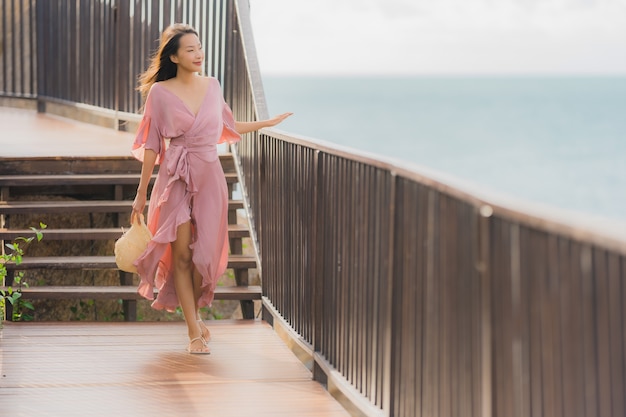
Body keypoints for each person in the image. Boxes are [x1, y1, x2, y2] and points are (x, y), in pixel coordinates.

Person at [130, 23, 291, 354]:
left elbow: (225, 126)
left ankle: (196, 316)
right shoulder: (160, 94)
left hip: (209, 178)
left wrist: (266, 123)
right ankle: (192, 331)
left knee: (203, 256)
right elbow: (151, 144)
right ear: (173, 56)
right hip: (174, 177)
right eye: (190, 49)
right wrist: (141, 192)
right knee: (182, 254)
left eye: (199, 47)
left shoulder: (213, 86)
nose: (198, 54)